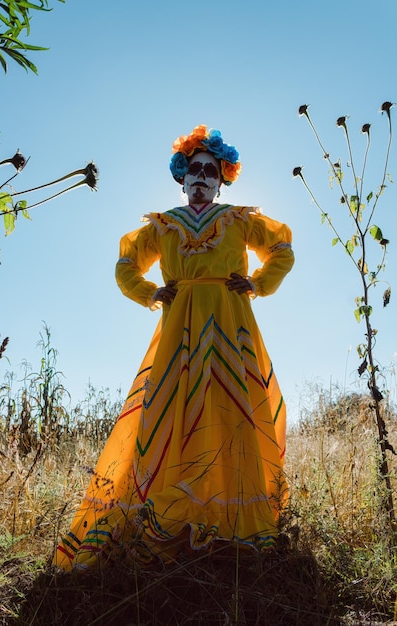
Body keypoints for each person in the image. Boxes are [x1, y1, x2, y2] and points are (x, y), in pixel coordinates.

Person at [53, 125, 294, 571]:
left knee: (232, 411)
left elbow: (281, 246)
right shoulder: (163, 225)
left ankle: (232, 527)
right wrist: (149, 293)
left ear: (222, 179)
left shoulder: (239, 219)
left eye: (210, 170)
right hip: (178, 332)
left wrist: (259, 283)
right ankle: (167, 520)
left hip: (229, 327)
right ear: (181, 178)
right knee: (167, 411)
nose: (201, 177)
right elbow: (125, 264)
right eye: (193, 170)